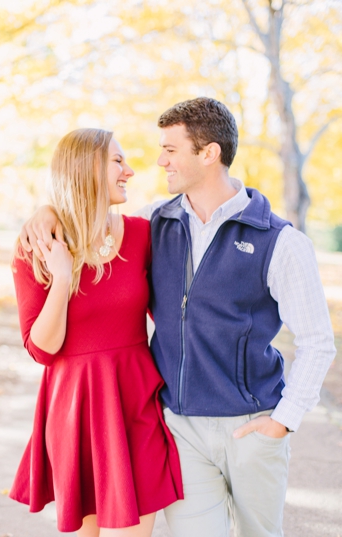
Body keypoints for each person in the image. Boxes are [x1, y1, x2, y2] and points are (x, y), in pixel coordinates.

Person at [19, 97, 336, 537]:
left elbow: (318, 340)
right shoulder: (157, 224)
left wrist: (284, 419)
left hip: (251, 426)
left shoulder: (279, 241)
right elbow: (86, 218)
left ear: (208, 154)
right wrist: (47, 212)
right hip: (178, 427)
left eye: (170, 149)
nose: (156, 161)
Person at [10, 128, 184, 536]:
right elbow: (43, 349)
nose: (131, 170)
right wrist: (62, 276)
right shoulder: (37, 245)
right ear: (87, 168)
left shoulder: (143, 234)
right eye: (118, 161)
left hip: (134, 403)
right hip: (75, 409)